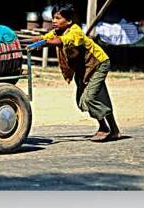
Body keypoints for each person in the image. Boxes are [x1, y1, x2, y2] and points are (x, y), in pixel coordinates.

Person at [37, 3, 121, 142]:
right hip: (83, 68)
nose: (54, 21)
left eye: (58, 18)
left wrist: (45, 42)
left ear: (69, 21)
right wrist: (21, 42)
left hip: (98, 64)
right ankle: (112, 130)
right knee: (84, 99)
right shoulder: (58, 31)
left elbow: (59, 41)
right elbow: (44, 38)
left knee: (90, 98)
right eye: (53, 18)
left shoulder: (75, 31)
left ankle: (106, 129)